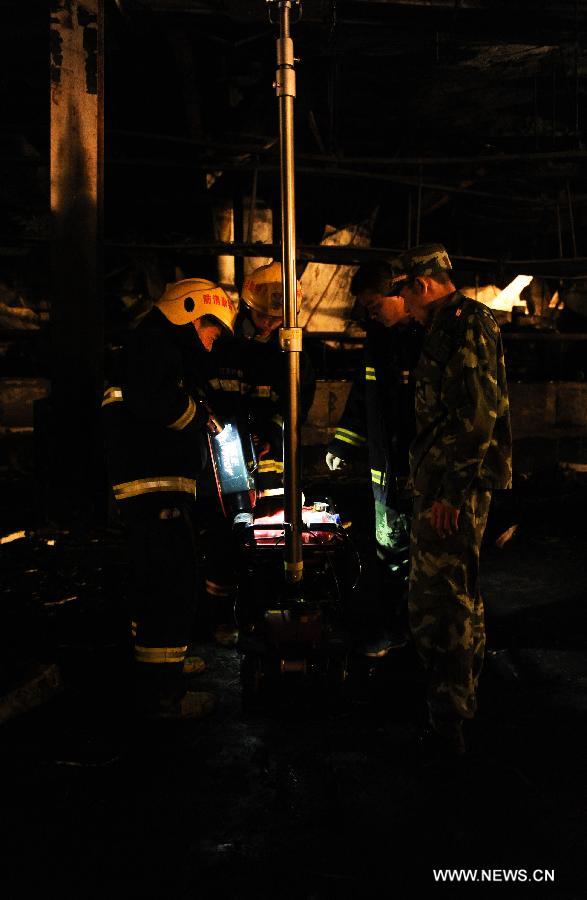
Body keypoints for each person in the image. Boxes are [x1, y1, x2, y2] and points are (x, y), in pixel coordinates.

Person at [391, 244, 512, 757]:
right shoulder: (447, 325)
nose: (405, 307)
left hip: (452, 491)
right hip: (444, 485)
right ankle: (455, 708)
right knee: (454, 595)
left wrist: (452, 493)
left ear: (420, 285)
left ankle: (448, 725)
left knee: (444, 603)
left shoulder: (465, 324)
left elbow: (477, 414)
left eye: (404, 295)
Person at [102, 278, 237, 719]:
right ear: (190, 311)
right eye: (211, 331)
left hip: (154, 490)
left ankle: (166, 671)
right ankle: (164, 697)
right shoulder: (156, 349)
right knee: (170, 585)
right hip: (153, 491)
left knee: (160, 583)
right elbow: (160, 405)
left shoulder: (155, 349)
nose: (212, 343)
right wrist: (201, 417)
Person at [203, 261, 316, 644]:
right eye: (262, 316)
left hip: (273, 464)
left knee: (271, 535)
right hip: (226, 461)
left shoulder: (295, 352)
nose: (269, 325)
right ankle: (219, 618)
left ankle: (262, 614)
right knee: (223, 538)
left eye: (277, 318)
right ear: (246, 308)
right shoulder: (221, 345)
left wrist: (271, 430)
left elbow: (298, 404)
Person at [326, 262, 423, 655]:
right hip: (387, 469)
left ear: (400, 296)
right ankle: (398, 630)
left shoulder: (427, 340)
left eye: (374, 304)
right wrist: (341, 445)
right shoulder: (377, 341)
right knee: (390, 552)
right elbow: (362, 398)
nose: (370, 313)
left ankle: (424, 634)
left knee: (426, 557)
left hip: (419, 468)